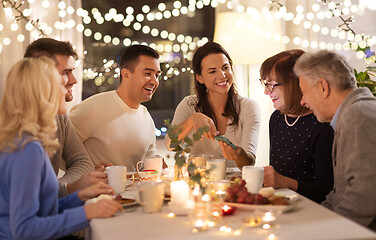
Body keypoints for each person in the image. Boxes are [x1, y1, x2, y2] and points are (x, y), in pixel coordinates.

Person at [0, 57, 122, 240]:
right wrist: (87, 213)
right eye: (61, 84)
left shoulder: (27, 141)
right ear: (43, 92)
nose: (66, 90)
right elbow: (24, 229)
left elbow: (42, 211)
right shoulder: (27, 149)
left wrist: (79, 196)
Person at [294, 49, 376, 230]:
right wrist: (313, 221)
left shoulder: (357, 115)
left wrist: (325, 231)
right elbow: (341, 192)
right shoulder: (351, 114)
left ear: (323, 87)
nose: (302, 101)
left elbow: (365, 195)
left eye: (304, 92)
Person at [24, 38, 108, 197]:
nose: (74, 80)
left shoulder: (59, 116)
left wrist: (67, 186)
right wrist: (70, 187)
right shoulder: (16, 127)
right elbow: (29, 197)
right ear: (41, 75)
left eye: (72, 71)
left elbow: (82, 163)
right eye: (65, 72)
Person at [164, 41, 260, 169]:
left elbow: (249, 162)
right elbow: (170, 144)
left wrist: (238, 154)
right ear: (199, 78)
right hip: (199, 183)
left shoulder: (248, 107)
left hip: (234, 185)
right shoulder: (189, 105)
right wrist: (192, 120)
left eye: (225, 68)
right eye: (212, 71)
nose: (222, 75)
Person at [69, 45, 161, 171]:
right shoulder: (93, 108)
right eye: (148, 74)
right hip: (97, 190)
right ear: (126, 75)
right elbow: (58, 150)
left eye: (157, 75)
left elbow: (150, 164)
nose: (154, 81)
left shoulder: (146, 117)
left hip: (134, 190)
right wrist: (88, 171)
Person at [259, 49, 334, 203]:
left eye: (272, 85)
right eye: (265, 83)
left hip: (311, 210)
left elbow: (326, 190)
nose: (266, 92)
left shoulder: (321, 123)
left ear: (296, 84)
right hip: (281, 205)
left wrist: (284, 182)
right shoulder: (277, 118)